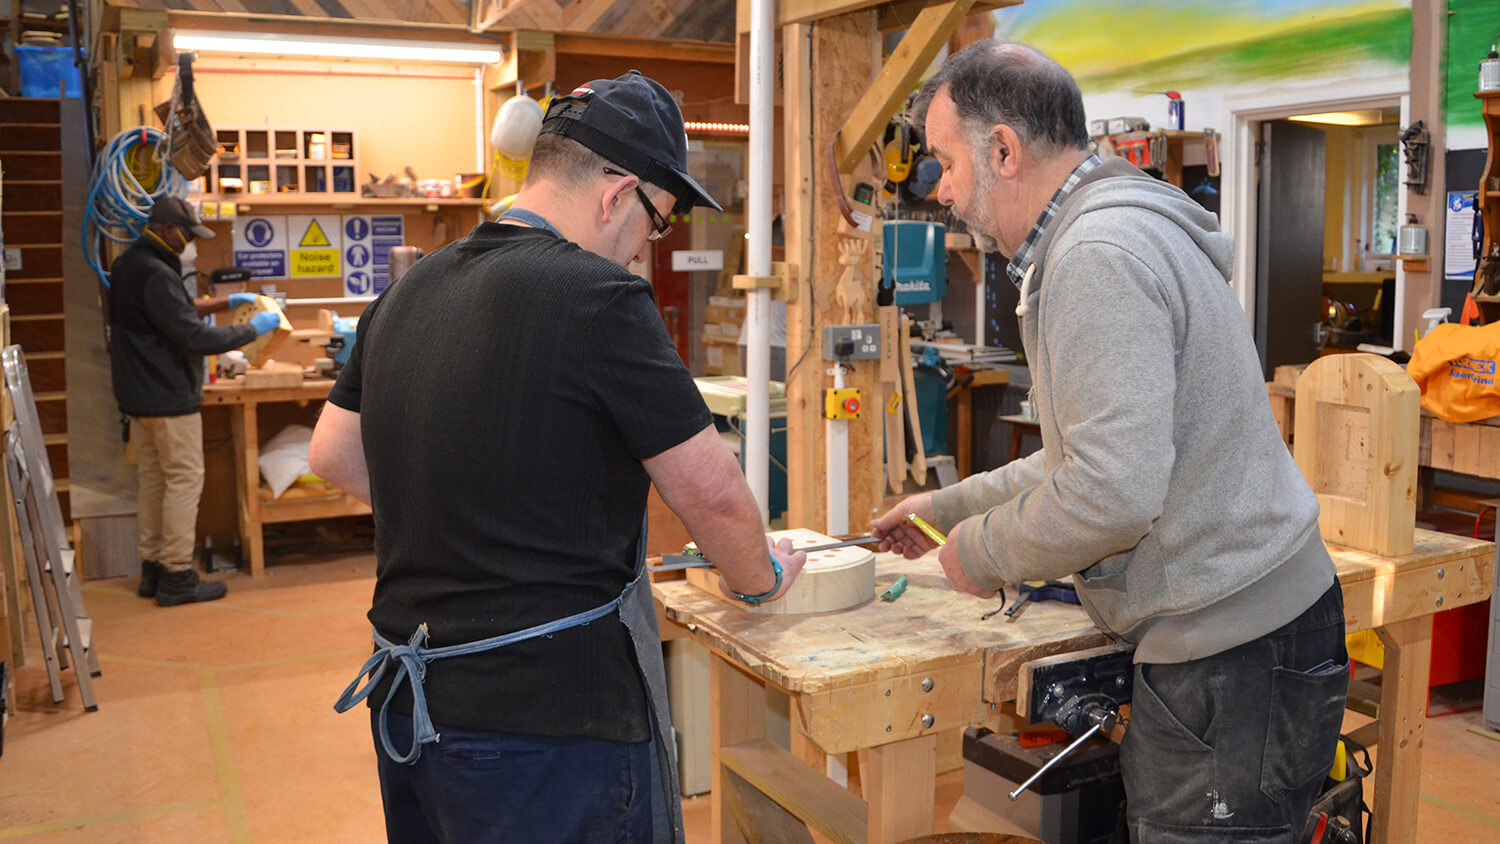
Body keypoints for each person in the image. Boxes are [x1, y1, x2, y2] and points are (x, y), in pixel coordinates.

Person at [309, 71, 807, 844]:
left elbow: (333, 452)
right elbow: (708, 493)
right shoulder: (599, 298)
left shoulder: (410, 289)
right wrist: (760, 578)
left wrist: (469, 515)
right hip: (548, 728)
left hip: (413, 712)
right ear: (617, 194)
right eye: (658, 221)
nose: (647, 246)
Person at [872, 42, 1349, 840]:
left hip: (1230, 653)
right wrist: (945, 507)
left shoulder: (1096, 257)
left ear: (1003, 151)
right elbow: (1084, 459)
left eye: (946, 163)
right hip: (1249, 635)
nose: (943, 191)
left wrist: (978, 551)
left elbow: (1112, 494)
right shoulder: (1110, 232)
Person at [108, 195, 282, 606]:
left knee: (154, 481)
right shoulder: (157, 273)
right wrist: (252, 330)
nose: (191, 242)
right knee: (184, 482)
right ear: (169, 230)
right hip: (168, 397)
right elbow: (194, 336)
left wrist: (225, 302)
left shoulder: (129, 264)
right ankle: (178, 577)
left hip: (138, 397)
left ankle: (152, 568)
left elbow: (174, 311)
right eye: (187, 234)